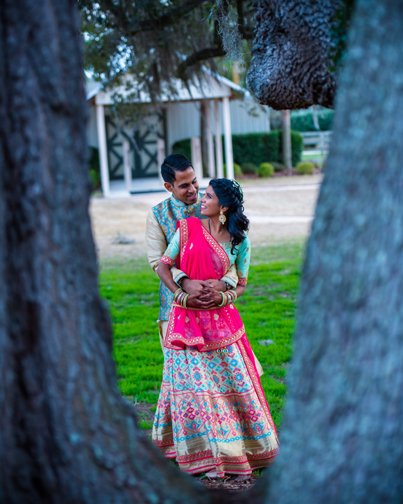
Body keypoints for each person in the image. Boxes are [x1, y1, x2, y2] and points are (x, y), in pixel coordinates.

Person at [152, 178, 279, 478]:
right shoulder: (187, 229)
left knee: (229, 388)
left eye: (208, 196)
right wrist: (181, 293)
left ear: (223, 207)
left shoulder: (239, 240)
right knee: (196, 391)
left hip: (222, 323)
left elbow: (244, 283)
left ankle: (235, 449)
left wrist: (224, 295)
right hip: (186, 324)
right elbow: (163, 265)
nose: (201, 200)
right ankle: (204, 454)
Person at [145, 154, 239, 352]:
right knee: (182, 377)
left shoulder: (213, 206)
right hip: (175, 305)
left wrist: (225, 284)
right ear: (169, 187)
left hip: (214, 304)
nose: (193, 189)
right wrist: (185, 284)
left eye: (194, 181)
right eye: (184, 185)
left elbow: (234, 253)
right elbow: (157, 262)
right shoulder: (158, 215)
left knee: (220, 377)